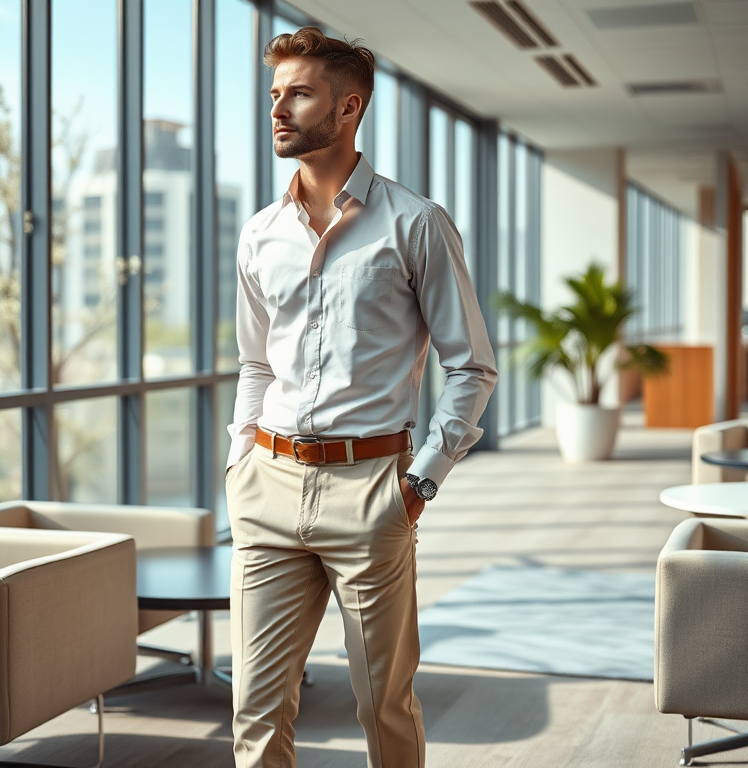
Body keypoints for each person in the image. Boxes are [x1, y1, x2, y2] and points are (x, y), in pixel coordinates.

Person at [225, 26, 497, 768]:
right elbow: (256, 363)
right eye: (275, 94)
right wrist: (239, 461)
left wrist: (419, 483)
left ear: (349, 108)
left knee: (382, 704)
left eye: (299, 93)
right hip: (268, 487)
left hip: (373, 489)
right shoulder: (259, 234)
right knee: (254, 709)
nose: (278, 109)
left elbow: (472, 367)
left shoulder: (416, 224)